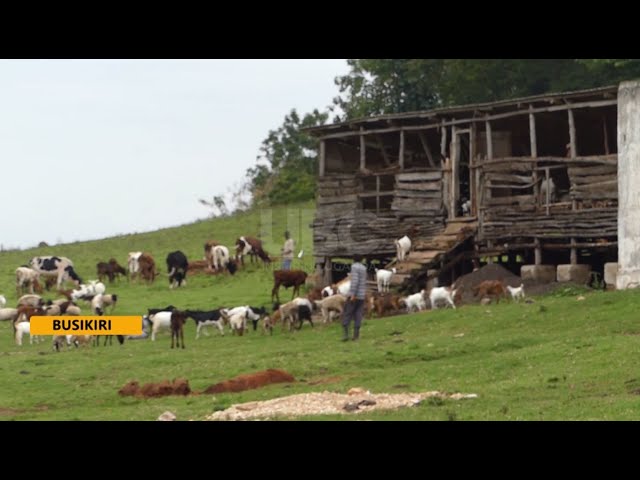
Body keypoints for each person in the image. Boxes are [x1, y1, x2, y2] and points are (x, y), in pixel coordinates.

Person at [341, 254, 367, 341]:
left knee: (348, 313)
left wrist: (352, 294)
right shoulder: (364, 268)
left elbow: (355, 281)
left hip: (354, 296)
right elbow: (362, 282)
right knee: (358, 314)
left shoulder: (354, 267)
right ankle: (356, 336)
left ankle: (345, 335)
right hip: (361, 296)